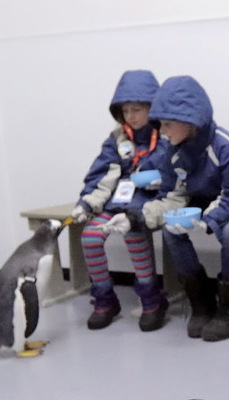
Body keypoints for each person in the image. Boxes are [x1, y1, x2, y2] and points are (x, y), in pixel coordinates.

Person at [129, 75, 229, 341]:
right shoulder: (172, 150)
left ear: (191, 121)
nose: (164, 131)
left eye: (168, 124)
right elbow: (171, 194)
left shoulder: (225, 146)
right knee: (171, 231)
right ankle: (201, 302)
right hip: (203, 199)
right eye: (161, 124)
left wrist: (208, 219)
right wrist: (141, 216)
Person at [68, 70, 169, 332]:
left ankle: (151, 300)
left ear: (152, 108)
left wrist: (146, 179)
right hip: (116, 202)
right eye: (126, 110)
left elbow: (172, 175)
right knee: (89, 237)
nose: (131, 116)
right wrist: (86, 203)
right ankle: (105, 300)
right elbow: (102, 174)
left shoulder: (167, 136)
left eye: (137, 109)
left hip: (148, 202)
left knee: (133, 233)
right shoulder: (117, 139)